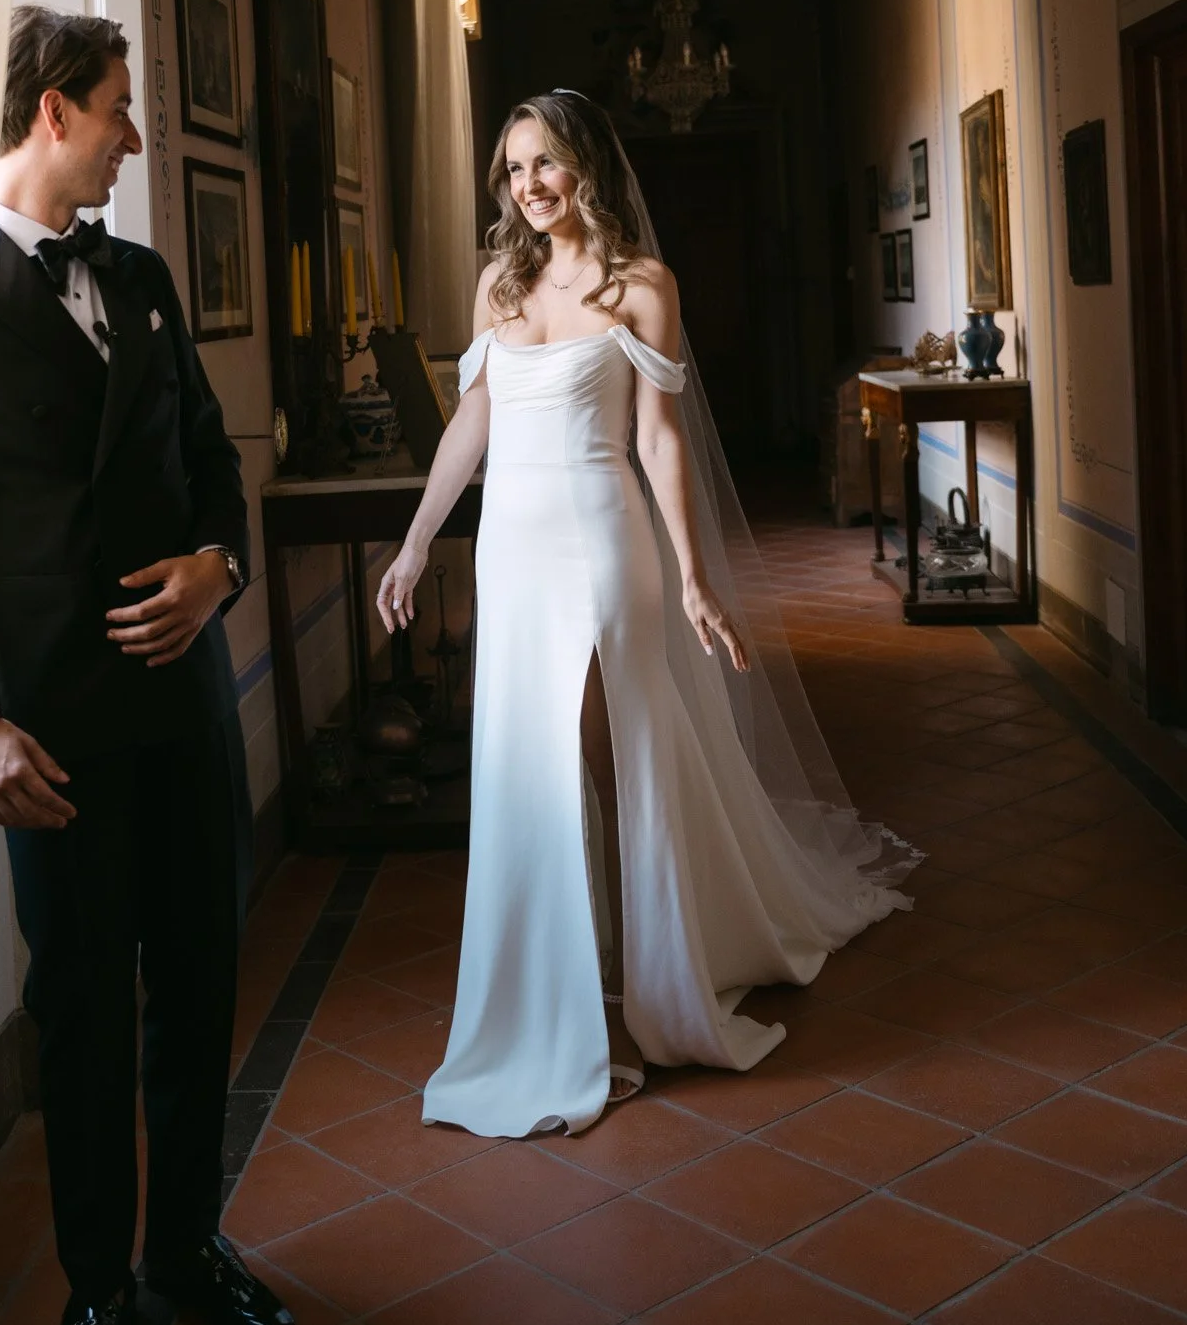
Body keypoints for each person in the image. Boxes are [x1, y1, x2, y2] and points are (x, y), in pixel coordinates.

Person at [377, 89, 916, 1138]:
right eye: (513, 168)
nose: (529, 186)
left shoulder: (641, 288)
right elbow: (471, 425)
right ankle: (554, 991)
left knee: (605, 752)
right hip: (510, 554)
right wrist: (412, 539)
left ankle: (630, 994)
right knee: (529, 764)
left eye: (546, 163)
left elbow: (660, 441)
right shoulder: (498, 282)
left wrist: (691, 577)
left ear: (585, 166)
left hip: (598, 540)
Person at [0, 6, 293, 1325]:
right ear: (50, 114)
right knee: (82, 1009)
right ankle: (94, 1290)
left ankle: (187, 1247)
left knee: (198, 984)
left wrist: (221, 566)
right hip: (48, 731)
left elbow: (211, 464)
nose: (136, 137)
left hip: (184, 710)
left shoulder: (139, 278)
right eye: (120, 110)